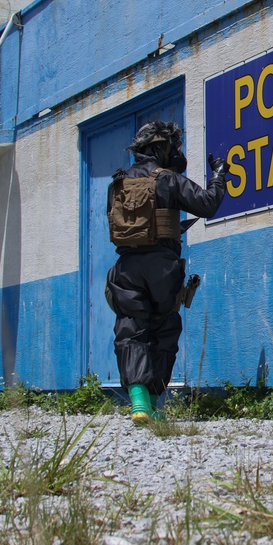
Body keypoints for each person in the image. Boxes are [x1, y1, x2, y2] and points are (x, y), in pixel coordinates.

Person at [105, 120, 227, 425]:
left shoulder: (117, 183)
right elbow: (207, 204)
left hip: (127, 267)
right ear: (161, 148)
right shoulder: (168, 179)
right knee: (164, 329)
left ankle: (138, 401)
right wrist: (219, 175)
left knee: (130, 328)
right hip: (162, 267)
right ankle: (155, 404)